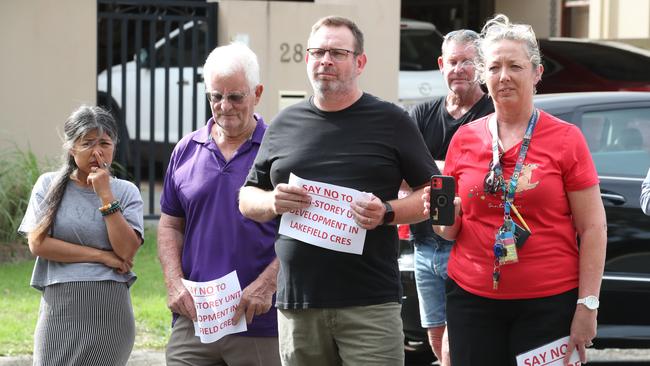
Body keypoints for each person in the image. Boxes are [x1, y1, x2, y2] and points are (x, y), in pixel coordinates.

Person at [239, 15, 438, 366]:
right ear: (306, 60)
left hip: (369, 306)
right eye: (317, 52)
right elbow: (246, 198)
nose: (325, 61)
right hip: (299, 307)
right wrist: (272, 201)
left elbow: (431, 195)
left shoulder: (392, 121)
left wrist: (387, 212)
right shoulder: (284, 123)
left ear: (359, 62)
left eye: (337, 53)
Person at [422, 14, 607, 366]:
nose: (503, 76)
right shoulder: (464, 138)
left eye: (515, 66)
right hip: (471, 301)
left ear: (536, 74)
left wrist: (588, 305)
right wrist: (444, 215)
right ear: (483, 76)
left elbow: (593, 228)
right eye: (494, 67)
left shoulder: (567, 139)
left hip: (548, 304)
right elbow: (447, 232)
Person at [157, 43, 281, 366]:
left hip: (259, 324)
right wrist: (173, 284)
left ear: (258, 93)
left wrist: (268, 285)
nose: (224, 106)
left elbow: (299, 233)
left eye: (235, 97)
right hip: (194, 321)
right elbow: (170, 225)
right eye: (216, 96)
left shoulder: (280, 152)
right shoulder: (186, 150)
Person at [19, 105, 144, 365]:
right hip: (60, 309)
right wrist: (101, 256)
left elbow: (126, 251)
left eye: (105, 143)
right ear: (71, 147)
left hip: (110, 313)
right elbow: (38, 243)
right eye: (87, 143)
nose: (97, 152)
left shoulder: (127, 191)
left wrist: (106, 195)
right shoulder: (48, 185)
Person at [409, 28, 493, 365]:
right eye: (453, 61)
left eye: (467, 62)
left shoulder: (491, 114)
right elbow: (402, 170)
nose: (458, 69)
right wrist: (450, 172)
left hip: (466, 245)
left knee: (456, 345)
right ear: (441, 64)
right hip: (423, 245)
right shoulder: (422, 113)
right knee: (435, 337)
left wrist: (427, 171)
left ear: (482, 66)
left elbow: (487, 175)